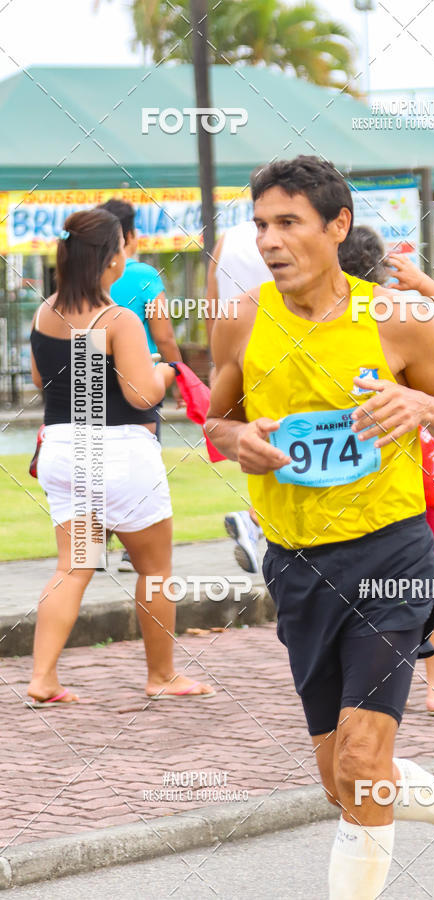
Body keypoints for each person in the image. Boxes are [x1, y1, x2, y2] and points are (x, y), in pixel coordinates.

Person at [206, 156, 434, 900]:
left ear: (336, 226)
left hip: (390, 552)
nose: (271, 240)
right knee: (344, 785)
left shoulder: (398, 320)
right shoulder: (243, 317)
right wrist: (235, 440)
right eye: (261, 225)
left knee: (366, 758)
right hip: (297, 561)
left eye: (289, 223)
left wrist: (422, 409)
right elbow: (218, 419)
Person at [27, 208, 214, 705]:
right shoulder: (118, 319)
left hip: (65, 448)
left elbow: (39, 381)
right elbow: (138, 394)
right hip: (120, 452)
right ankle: (162, 675)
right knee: (154, 568)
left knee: (73, 567)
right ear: (112, 260)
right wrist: (171, 372)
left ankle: (43, 678)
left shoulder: (45, 311)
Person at [338, 225, 434, 716]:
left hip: (349, 461)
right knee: (432, 578)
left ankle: (355, 679)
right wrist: (421, 282)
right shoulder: (398, 316)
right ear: (380, 268)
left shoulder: (319, 323)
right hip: (413, 459)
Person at [98, 198, 183, 573]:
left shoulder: (86, 279)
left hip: (92, 382)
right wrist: (179, 373)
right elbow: (163, 335)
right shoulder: (145, 276)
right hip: (139, 380)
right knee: (141, 462)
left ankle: (93, 547)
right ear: (131, 234)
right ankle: (136, 551)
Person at [206, 219, 271, 573]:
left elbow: (210, 299)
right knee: (278, 436)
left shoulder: (227, 239)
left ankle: (256, 520)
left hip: (234, 348)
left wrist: (216, 360)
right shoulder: (292, 233)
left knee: (256, 438)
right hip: (274, 345)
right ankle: (256, 520)